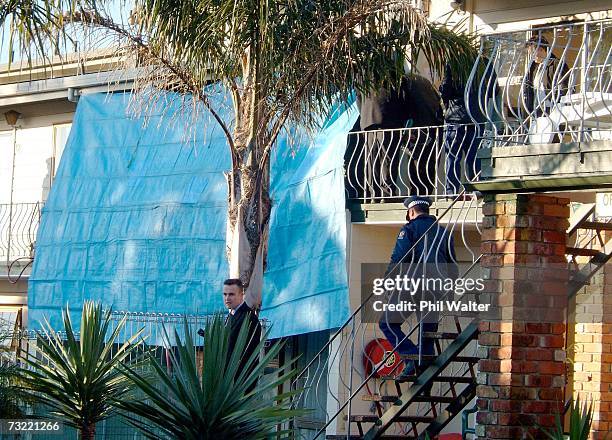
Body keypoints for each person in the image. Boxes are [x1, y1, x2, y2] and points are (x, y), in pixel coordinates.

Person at [378, 196, 457, 379]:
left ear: (411, 211)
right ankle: (423, 368)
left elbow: (399, 257)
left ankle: (411, 357)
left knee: (387, 323)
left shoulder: (410, 229)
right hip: (437, 287)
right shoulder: (444, 232)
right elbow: (452, 263)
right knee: (427, 331)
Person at [355, 75, 444, 200]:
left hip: (368, 124)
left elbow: (358, 99)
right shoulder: (395, 76)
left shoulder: (363, 77)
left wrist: (364, 118)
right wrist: (403, 122)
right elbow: (402, 100)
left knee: (372, 161)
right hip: (391, 122)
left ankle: (374, 194)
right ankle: (387, 193)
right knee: (388, 160)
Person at [440, 62, 498, 194]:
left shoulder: (456, 62)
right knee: (474, 157)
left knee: (453, 157)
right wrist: (479, 98)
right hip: (477, 118)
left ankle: (452, 192)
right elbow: (494, 90)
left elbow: (446, 90)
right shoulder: (484, 62)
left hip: (456, 118)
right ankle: (476, 189)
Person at [199, 278, 262, 391]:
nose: (227, 298)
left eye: (231, 294)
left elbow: (242, 350)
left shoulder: (248, 318)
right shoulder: (232, 315)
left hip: (239, 381)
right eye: (225, 294)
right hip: (227, 379)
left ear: (242, 294)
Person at [522, 35, 570, 119]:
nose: (532, 57)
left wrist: (558, 105)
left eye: (532, 53)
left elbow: (563, 88)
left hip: (553, 109)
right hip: (538, 109)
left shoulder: (556, 64)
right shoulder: (535, 67)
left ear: (541, 49)